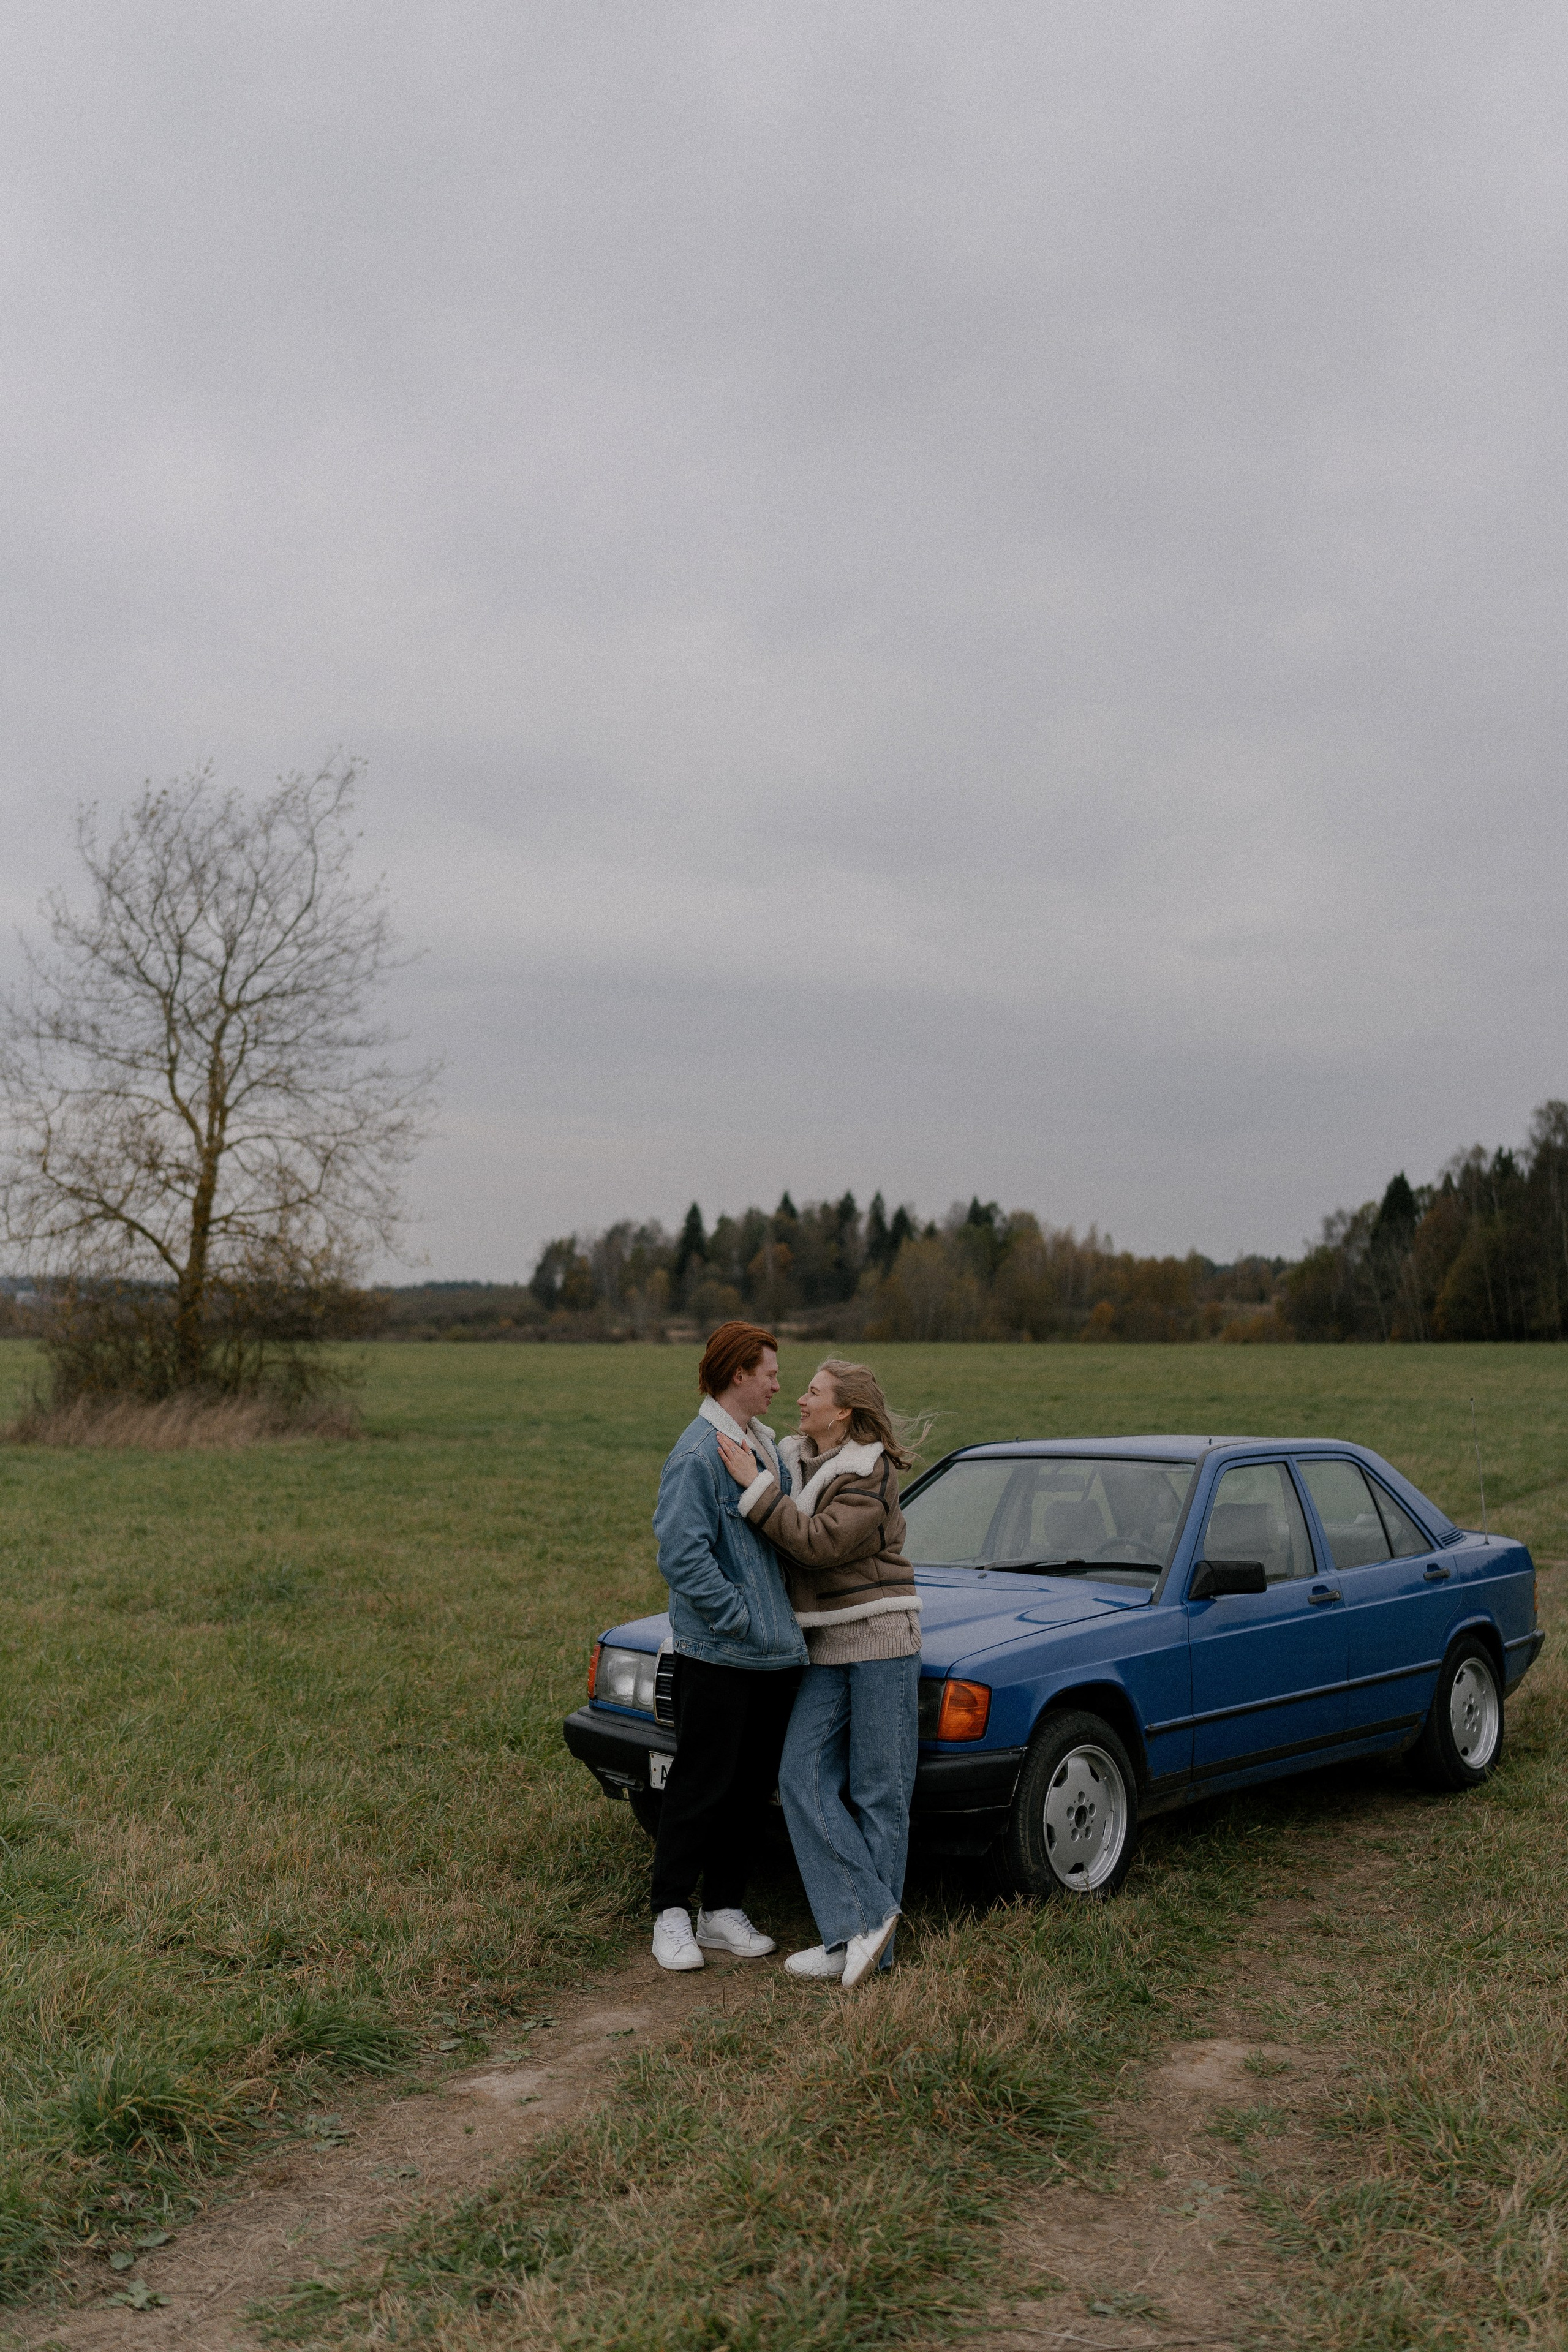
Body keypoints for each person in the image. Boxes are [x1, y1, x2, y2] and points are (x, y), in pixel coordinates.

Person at [714, 1357, 922, 1990]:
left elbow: (817, 1544)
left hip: (881, 1639)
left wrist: (755, 1489)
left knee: (878, 1792)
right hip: (826, 1644)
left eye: (812, 1392)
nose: (798, 1398)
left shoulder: (869, 1474)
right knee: (799, 1775)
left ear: (844, 1413)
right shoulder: (794, 1460)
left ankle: (865, 1949)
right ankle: (863, 1923)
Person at [647, 1320, 806, 1972]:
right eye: (768, 1371)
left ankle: (722, 1912)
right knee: (700, 1785)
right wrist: (738, 1616)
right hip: (719, 1654)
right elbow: (682, 1556)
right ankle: (670, 1913)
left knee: (748, 1789)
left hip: (774, 1657)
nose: (776, 1382)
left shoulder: (760, 1444)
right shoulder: (696, 1455)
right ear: (738, 1373)